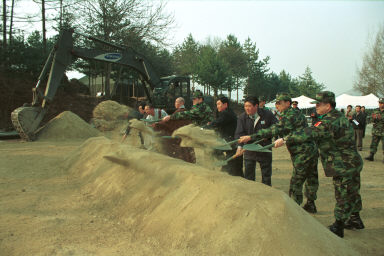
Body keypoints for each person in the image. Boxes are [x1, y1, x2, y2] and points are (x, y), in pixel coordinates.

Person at [275, 91, 364, 238]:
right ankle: (355, 219)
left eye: (318, 104)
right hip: (352, 161)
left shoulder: (329, 121)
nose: (315, 107)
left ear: (328, 105)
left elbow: (310, 132)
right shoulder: (338, 117)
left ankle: (338, 226)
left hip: (342, 164)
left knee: (342, 193)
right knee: (353, 191)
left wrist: (285, 139)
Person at [255, 93, 319, 212]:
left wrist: (253, 136)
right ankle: (311, 203)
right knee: (311, 177)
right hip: (311, 149)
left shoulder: (289, 115)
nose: (277, 105)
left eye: (280, 103)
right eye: (276, 103)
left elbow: (276, 129)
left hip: (302, 152)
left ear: (288, 103)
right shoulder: (295, 113)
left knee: (296, 180)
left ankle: (294, 208)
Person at [235, 96, 277, 186]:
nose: (247, 108)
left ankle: (267, 195)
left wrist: (269, 136)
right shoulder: (242, 117)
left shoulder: (267, 115)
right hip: (249, 150)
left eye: (249, 106)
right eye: (245, 106)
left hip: (264, 148)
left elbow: (276, 127)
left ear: (256, 106)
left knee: (266, 177)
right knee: (249, 177)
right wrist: (239, 147)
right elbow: (239, 134)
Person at [208, 96, 243, 177]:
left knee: (232, 169)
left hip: (232, 143)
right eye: (217, 104)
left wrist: (203, 128)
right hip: (229, 142)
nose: (217, 106)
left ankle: (225, 162)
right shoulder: (225, 113)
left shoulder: (226, 113)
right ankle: (225, 162)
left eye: (219, 104)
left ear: (225, 104)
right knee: (234, 168)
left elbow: (217, 123)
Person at [154, 97, 196, 163]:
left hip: (179, 137)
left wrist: (157, 125)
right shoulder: (185, 112)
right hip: (186, 136)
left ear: (181, 103)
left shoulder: (179, 112)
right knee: (187, 154)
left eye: (176, 102)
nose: (175, 103)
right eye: (175, 102)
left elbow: (171, 123)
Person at [365, 98, 384, 162]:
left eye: (382, 103)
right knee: (373, 144)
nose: (380, 104)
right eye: (380, 103)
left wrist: (381, 118)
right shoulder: (375, 110)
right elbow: (369, 120)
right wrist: (373, 118)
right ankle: (371, 155)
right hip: (376, 131)